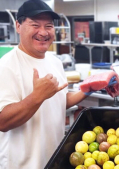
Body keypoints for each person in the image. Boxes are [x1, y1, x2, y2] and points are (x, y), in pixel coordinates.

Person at [0, 0, 89, 168]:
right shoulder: (6, 65)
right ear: (18, 26)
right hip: (21, 164)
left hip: (53, 158)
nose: (43, 32)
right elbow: (3, 122)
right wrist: (37, 97)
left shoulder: (54, 61)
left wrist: (89, 89)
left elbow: (59, 101)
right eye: (35, 25)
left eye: (48, 26)